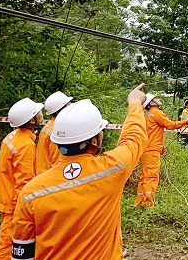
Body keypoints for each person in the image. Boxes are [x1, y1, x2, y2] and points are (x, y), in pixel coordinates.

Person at [10, 85, 148, 260]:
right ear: (95, 140)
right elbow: (134, 138)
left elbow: (22, 255)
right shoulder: (112, 170)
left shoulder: (30, 193)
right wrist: (135, 102)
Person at [0, 97, 43, 260]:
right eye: (38, 113)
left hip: (7, 197)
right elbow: (24, 183)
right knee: (6, 245)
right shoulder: (25, 146)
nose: (41, 114)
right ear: (32, 120)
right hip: (14, 203)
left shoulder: (14, 136)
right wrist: (26, 210)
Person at [134, 94, 188, 207]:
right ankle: (148, 203)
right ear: (152, 103)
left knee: (144, 176)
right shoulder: (156, 113)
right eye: (156, 99)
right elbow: (170, 125)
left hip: (146, 149)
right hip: (152, 149)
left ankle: (140, 202)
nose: (159, 100)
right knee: (151, 176)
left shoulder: (148, 114)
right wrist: (186, 120)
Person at [36, 90, 72, 174]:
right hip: (51, 177)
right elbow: (59, 161)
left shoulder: (50, 125)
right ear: (60, 110)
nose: (71, 105)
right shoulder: (59, 131)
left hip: (43, 174)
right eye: (68, 104)